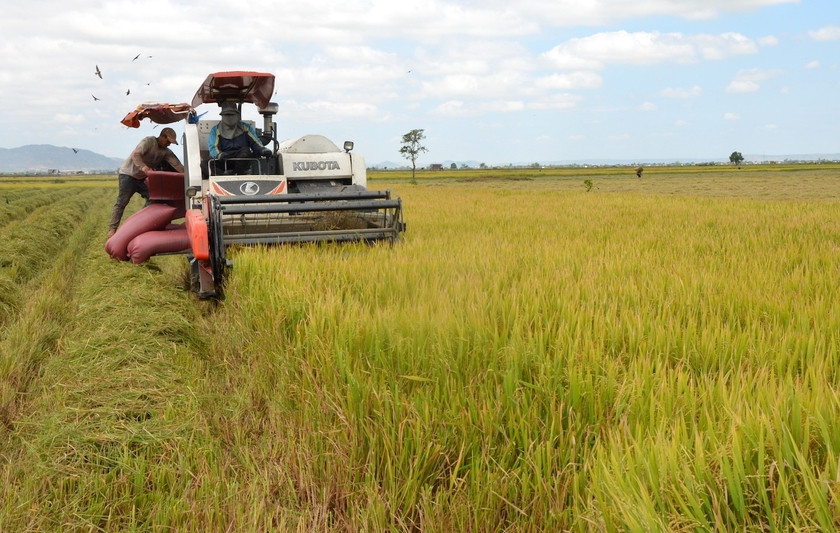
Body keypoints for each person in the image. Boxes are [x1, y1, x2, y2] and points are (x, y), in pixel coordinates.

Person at [108, 127, 184, 237]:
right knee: (122, 202)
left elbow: (177, 165)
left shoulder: (166, 152)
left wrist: (188, 175)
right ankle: (112, 230)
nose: (168, 144)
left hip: (142, 178)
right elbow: (136, 154)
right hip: (128, 174)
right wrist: (144, 168)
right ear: (162, 136)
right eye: (168, 141)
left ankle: (138, 223)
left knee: (153, 198)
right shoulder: (148, 141)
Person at [208, 101, 271, 174]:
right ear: (222, 116)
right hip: (224, 159)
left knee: (246, 152)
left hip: (242, 159)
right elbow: (213, 147)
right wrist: (219, 155)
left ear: (237, 115)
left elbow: (255, 142)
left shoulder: (246, 127)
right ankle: (223, 176)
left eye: (232, 115)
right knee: (205, 164)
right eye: (227, 115)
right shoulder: (215, 130)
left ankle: (236, 173)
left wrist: (263, 150)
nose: (230, 117)